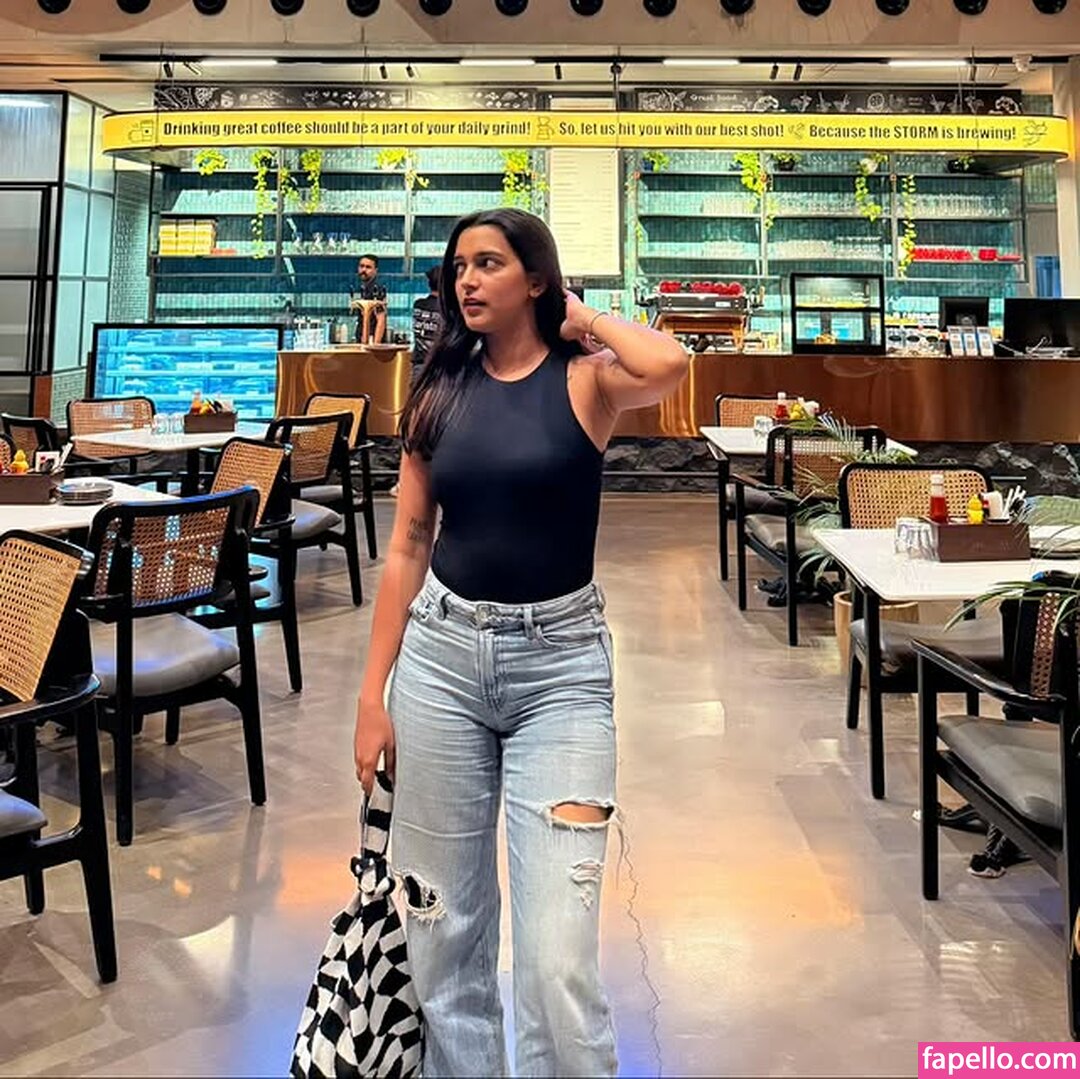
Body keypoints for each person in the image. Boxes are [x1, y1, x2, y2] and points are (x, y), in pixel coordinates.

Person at [353, 208, 688, 1077]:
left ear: (535, 277)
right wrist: (372, 695)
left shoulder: (586, 380)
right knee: (443, 937)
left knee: (557, 958)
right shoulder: (436, 390)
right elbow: (407, 545)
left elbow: (669, 364)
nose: (466, 280)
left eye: (489, 263)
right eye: (458, 266)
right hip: (440, 664)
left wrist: (582, 316)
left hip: (562, 671)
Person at [411, 265, 443, 384]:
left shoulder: (418, 305)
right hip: (440, 368)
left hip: (419, 366)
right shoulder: (447, 309)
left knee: (418, 395)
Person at [351, 253, 387, 344]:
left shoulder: (376, 289)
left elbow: (381, 319)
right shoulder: (362, 288)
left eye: (368, 267)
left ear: (375, 270)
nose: (364, 270)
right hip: (362, 338)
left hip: (371, 339)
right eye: (361, 266)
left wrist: (375, 346)